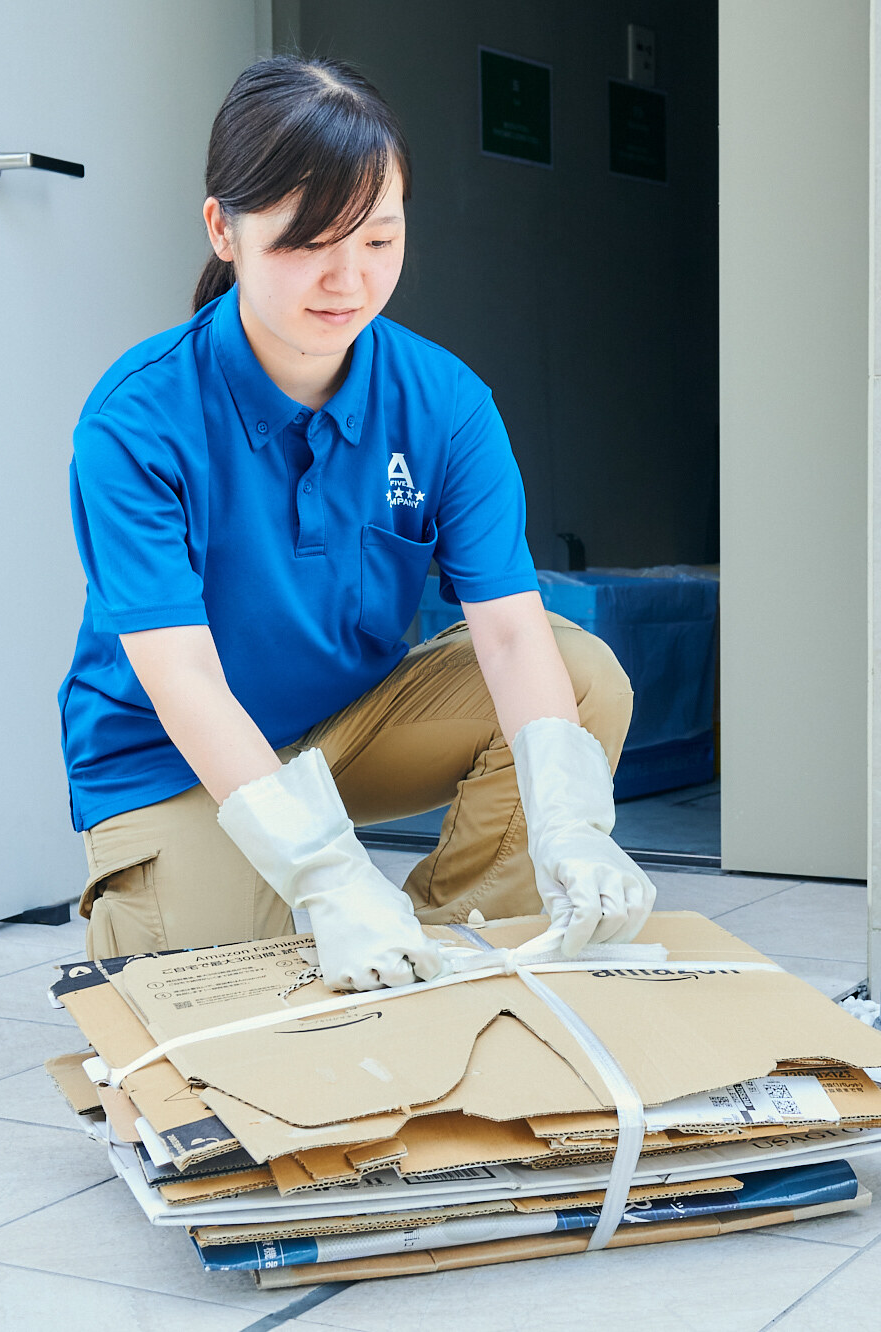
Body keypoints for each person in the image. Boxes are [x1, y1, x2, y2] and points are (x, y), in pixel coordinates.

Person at [59, 56, 655, 989]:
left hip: (349, 726)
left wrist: (572, 826)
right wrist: (327, 875)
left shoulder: (446, 404)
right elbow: (182, 681)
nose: (349, 280)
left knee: (581, 678)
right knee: (223, 1016)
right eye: (308, 243)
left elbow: (507, 630)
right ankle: (293, 907)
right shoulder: (139, 419)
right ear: (225, 229)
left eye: (379, 240)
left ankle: (441, 951)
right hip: (172, 757)